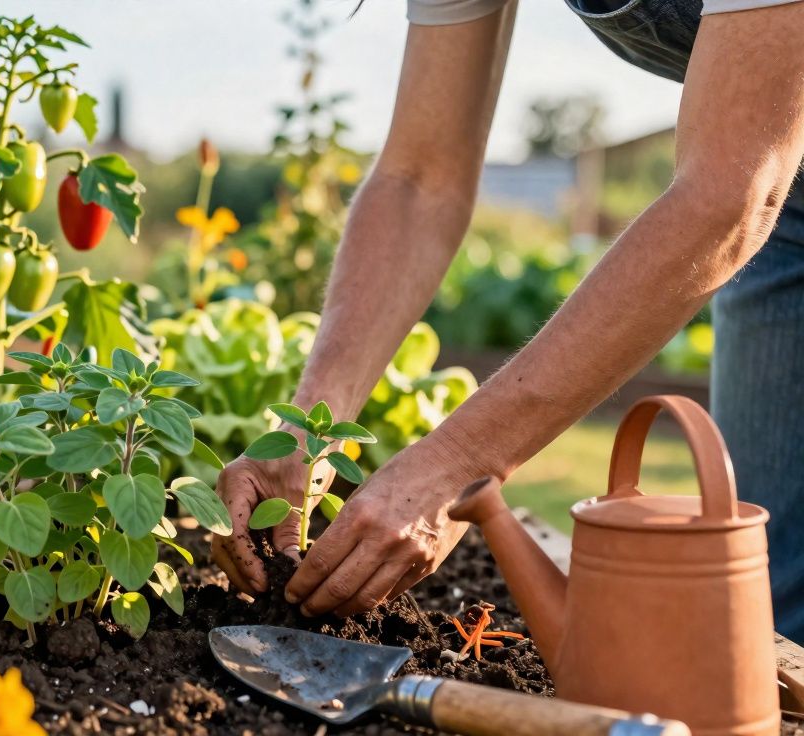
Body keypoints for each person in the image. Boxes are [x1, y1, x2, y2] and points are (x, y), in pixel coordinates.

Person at [212, 0, 804, 641]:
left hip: (758, 172)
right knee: (772, 604)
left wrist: (460, 462)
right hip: (784, 188)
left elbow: (727, 196)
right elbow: (419, 180)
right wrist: (308, 433)